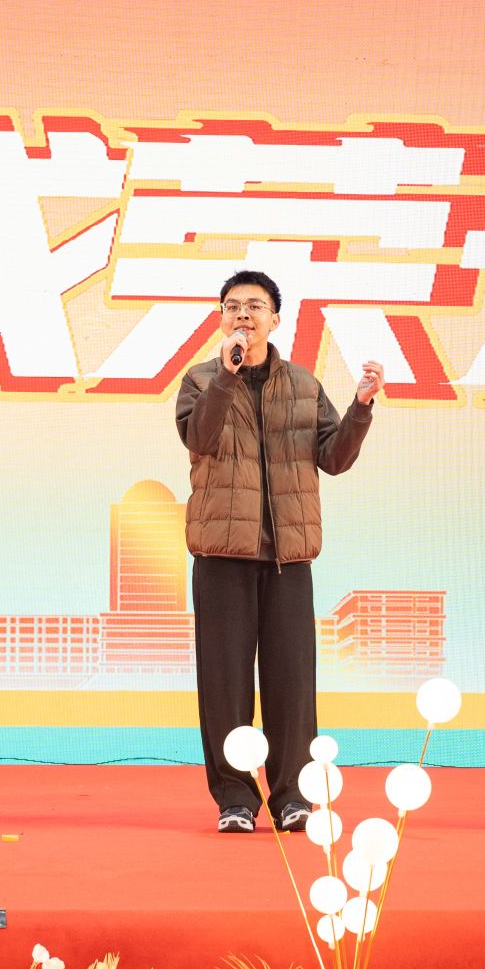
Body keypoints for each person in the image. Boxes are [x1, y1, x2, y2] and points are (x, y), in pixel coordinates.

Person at [175, 270, 382, 834]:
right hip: (221, 556)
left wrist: (361, 407)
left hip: (289, 558)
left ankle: (293, 796)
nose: (243, 314)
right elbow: (200, 438)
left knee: (292, 684)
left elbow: (333, 458)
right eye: (232, 306)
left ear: (275, 318)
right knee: (225, 685)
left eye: (255, 306)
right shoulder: (200, 380)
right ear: (221, 318)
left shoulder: (304, 385)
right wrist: (227, 374)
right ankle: (235, 799)